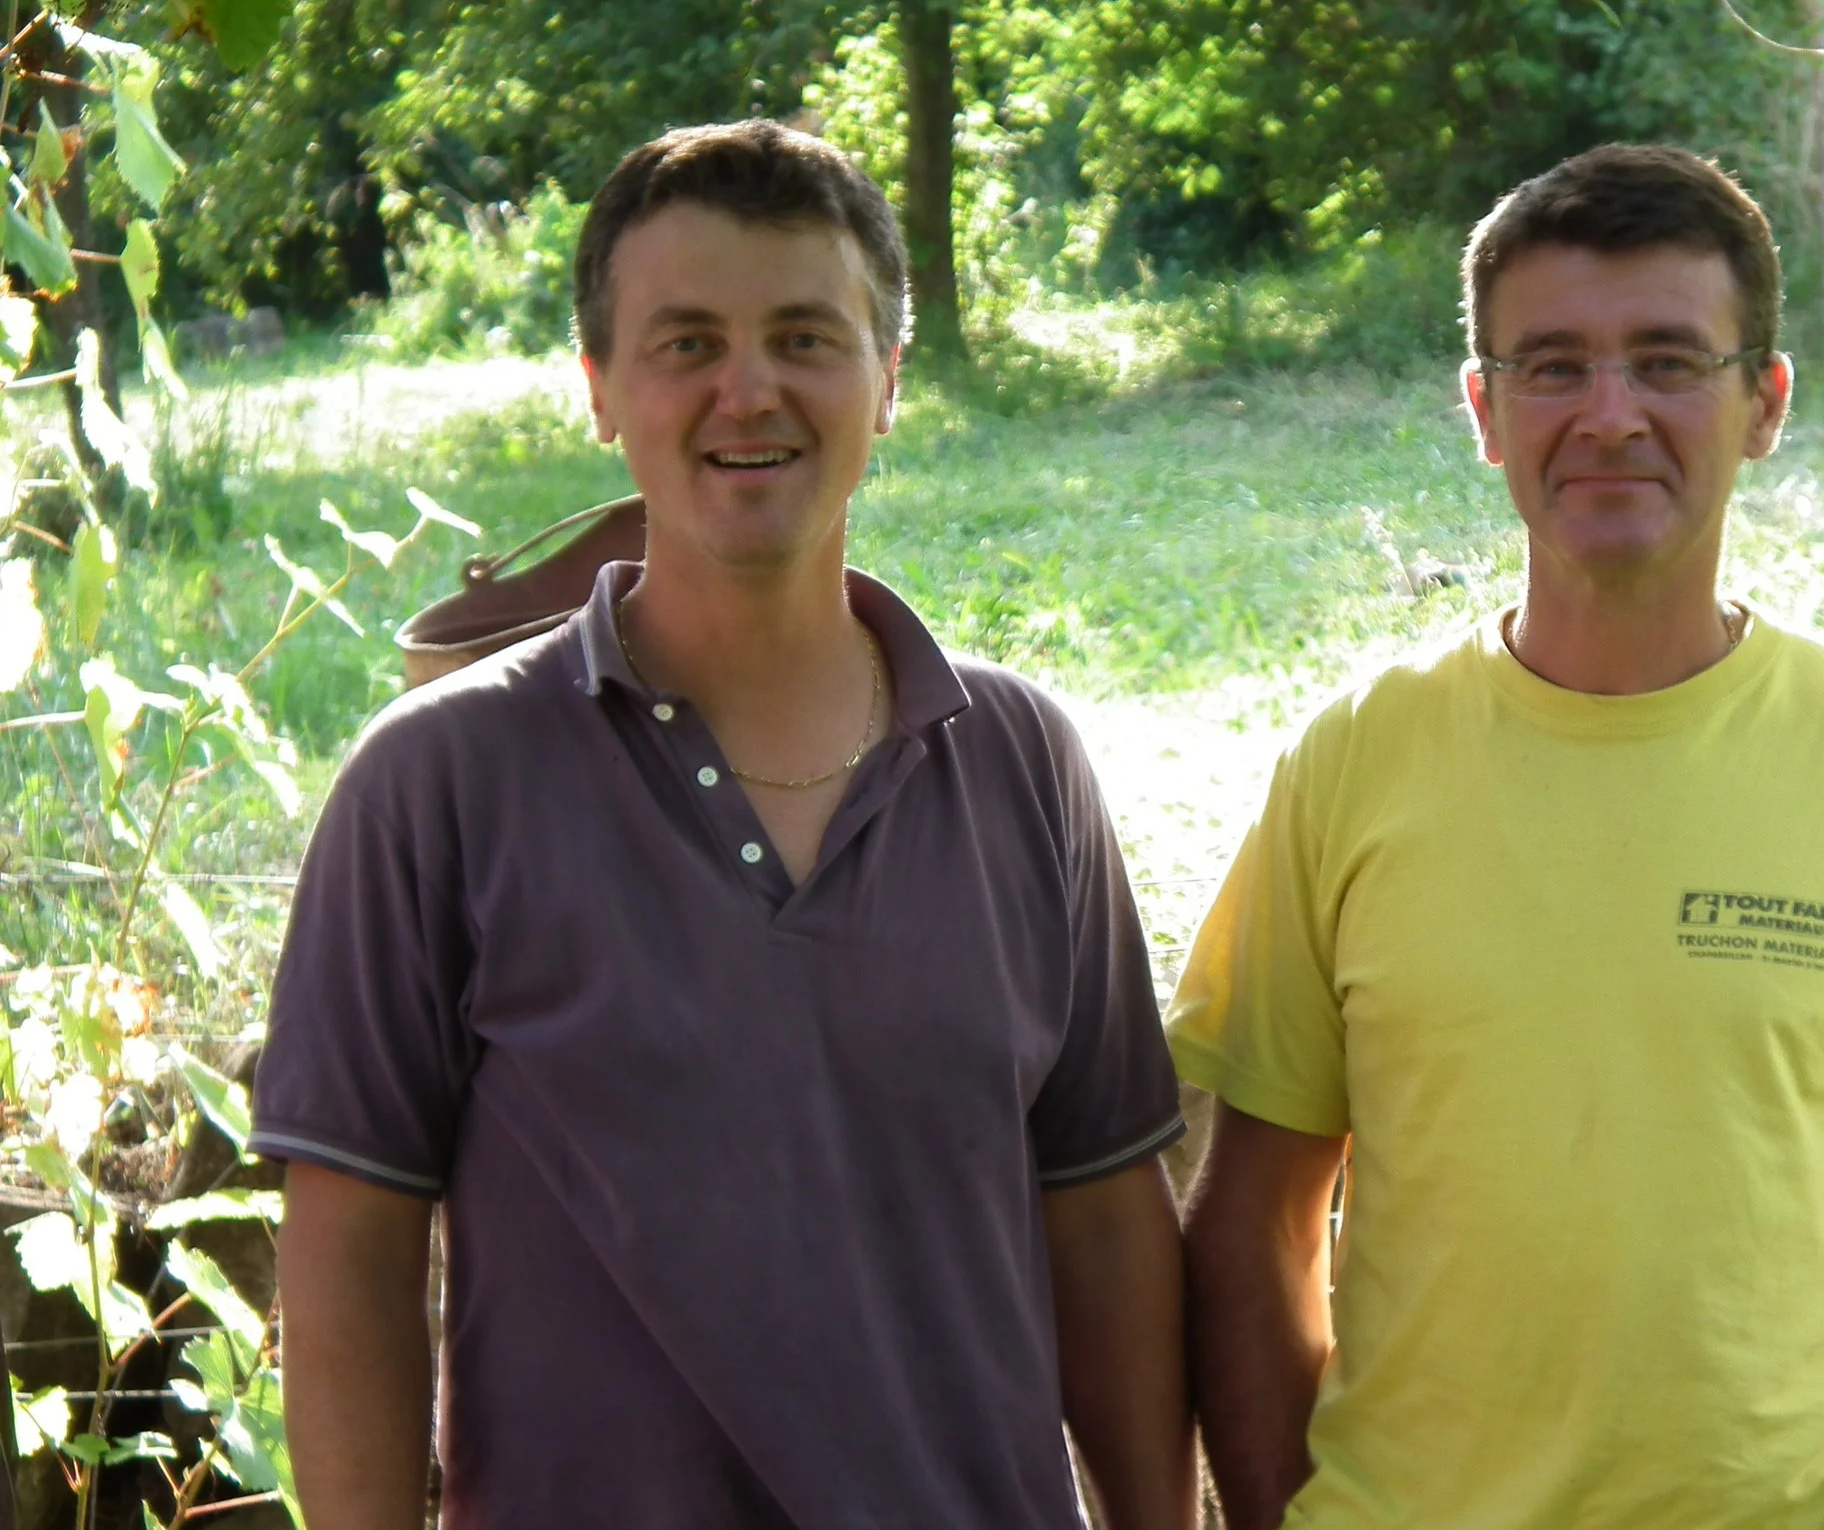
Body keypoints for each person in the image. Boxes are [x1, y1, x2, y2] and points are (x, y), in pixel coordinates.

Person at [1169, 143, 1824, 1530]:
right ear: (1483, 411)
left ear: (1766, 403)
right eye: (1553, 365)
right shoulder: (1351, 764)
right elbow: (1254, 1221)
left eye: (1671, 361)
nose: (1611, 413)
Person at [250, 120, 1195, 1530]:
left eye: (806, 337)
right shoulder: (437, 783)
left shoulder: (1020, 763)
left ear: (889, 383)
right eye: (686, 342)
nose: (747, 392)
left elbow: (1108, 1221)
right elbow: (349, 1263)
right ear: (599, 389)